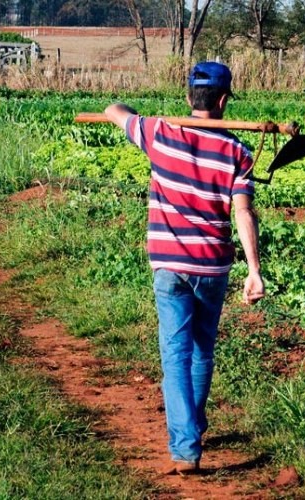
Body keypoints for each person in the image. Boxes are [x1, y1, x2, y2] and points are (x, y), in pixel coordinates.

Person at [104, 61, 265, 475]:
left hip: (169, 265)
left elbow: (113, 110)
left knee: (176, 355)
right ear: (224, 101)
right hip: (212, 266)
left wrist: (136, 114)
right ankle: (192, 430)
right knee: (201, 352)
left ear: (188, 97)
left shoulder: (159, 132)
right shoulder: (238, 152)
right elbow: (243, 213)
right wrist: (254, 270)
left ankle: (186, 446)